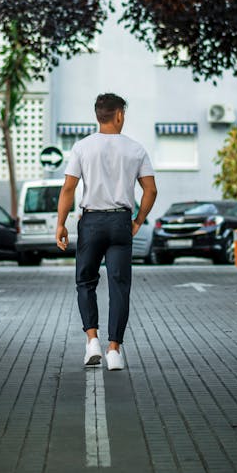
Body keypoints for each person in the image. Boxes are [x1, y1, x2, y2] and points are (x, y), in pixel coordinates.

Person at [55, 93, 157, 370]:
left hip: (91, 222)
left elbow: (68, 188)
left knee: (85, 281)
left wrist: (61, 223)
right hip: (120, 222)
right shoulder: (136, 149)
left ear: (98, 115)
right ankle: (114, 351)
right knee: (119, 285)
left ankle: (92, 342)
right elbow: (150, 190)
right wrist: (138, 220)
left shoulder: (82, 147)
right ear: (119, 115)